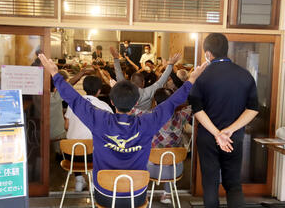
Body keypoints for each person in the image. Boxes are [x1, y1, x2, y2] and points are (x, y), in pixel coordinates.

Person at [38, 53, 207, 208]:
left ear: (112, 101)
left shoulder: (100, 120)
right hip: (137, 192)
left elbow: (74, 99)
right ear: (135, 104)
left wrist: (55, 74)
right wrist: (191, 80)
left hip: (104, 192)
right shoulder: (147, 123)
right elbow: (171, 103)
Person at [188, 33, 259, 208]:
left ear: (208, 53)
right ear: (226, 50)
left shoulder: (202, 77)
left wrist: (217, 134)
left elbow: (197, 109)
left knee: (210, 184)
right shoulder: (245, 75)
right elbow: (253, 109)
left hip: (207, 138)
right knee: (233, 184)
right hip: (233, 139)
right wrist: (229, 131)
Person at [64, 75, 113, 192]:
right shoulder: (105, 106)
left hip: (71, 155)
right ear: (99, 91)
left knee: (76, 142)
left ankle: (79, 180)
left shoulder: (74, 103)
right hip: (93, 155)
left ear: (84, 88)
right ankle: (94, 181)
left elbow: (66, 126)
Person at [147, 88, 192, 204]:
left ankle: (141, 192)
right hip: (175, 171)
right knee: (170, 156)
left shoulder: (148, 116)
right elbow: (193, 105)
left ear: (155, 102)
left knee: (142, 152)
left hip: (151, 170)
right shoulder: (182, 116)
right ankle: (167, 194)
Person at [112, 47, 179, 111]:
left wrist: (115, 59)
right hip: (145, 120)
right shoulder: (148, 92)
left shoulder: (125, 92)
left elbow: (119, 75)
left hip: (130, 120)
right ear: (143, 82)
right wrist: (170, 65)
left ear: (131, 82)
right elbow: (161, 81)